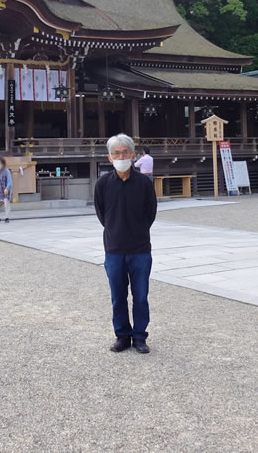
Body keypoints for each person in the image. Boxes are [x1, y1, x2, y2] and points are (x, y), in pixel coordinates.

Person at [94, 133, 158, 354]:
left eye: (124, 152)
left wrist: (137, 231)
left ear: (132, 155)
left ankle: (140, 336)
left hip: (140, 249)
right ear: (110, 158)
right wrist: (115, 230)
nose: (121, 156)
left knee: (140, 295)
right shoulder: (102, 184)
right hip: (114, 249)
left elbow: (151, 213)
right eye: (116, 153)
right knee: (118, 295)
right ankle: (122, 335)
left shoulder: (144, 183)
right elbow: (101, 214)